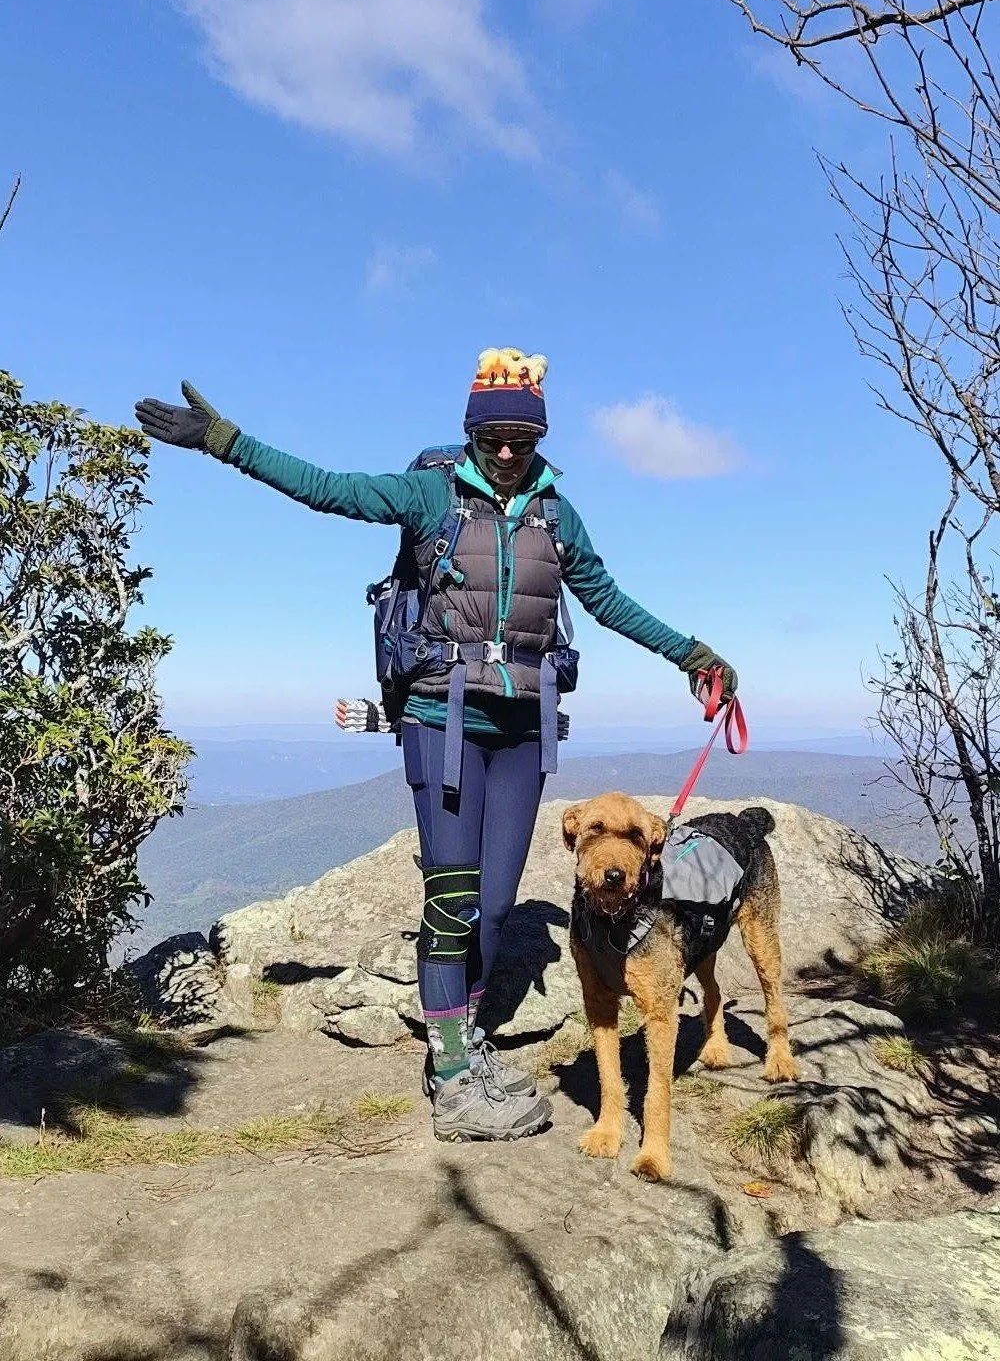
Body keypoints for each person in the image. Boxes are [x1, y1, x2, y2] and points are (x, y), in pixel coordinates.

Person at [135, 349, 737, 1143]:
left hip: (522, 732)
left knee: (491, 906)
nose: (511, 452)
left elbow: (609, 600)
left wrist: (692, 654)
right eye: (497, 438)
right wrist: (227, 441)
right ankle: (454, 1080)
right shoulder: (431, 491)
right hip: (441, 723)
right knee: (452, 900)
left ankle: (461, 1038)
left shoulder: (558, 517)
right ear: (472, 432)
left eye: (524, 437)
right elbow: (328, 490)